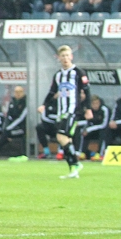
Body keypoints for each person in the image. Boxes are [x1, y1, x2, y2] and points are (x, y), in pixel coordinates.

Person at [37, 45, 91, 179]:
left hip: (73, 110)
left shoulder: (78, 72)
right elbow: (52, 92)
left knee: (61, 137)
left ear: (71, 56)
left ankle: (75, 163)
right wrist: (44, 105)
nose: (65, 58)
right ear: (59, 58)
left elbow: (87, 91)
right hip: (61, 111)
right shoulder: (58, 75)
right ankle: (73, 168)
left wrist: (88, 108)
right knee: (66, 139)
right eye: (63, 56)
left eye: (68, 55)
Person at [79, 95, 110, 161]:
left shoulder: (104, 109)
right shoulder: (89, 110)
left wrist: (89, 129)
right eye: (93, 104)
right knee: (83, 132)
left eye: (97, 103)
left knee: (103, 132)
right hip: (93, 129)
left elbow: (104, 124)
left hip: (103, 130)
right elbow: (87, 121)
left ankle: (100, 154)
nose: (95, 105)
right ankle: (82, 152)